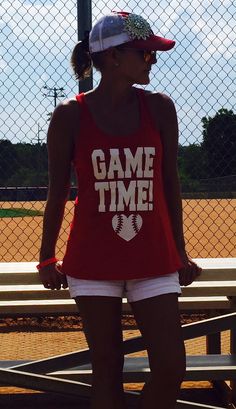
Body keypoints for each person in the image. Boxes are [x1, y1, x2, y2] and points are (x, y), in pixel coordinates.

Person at [37, 11, 202, 409]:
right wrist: (46, 257)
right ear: (113, 57)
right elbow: (57, 192)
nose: (153, 60)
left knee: (171, 366)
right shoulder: (69, 116)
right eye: (145, 53)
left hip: (154, 257)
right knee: (106, 367)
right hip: (92, 261)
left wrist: (179, 250)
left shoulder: (160, 108)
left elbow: (169, 184)